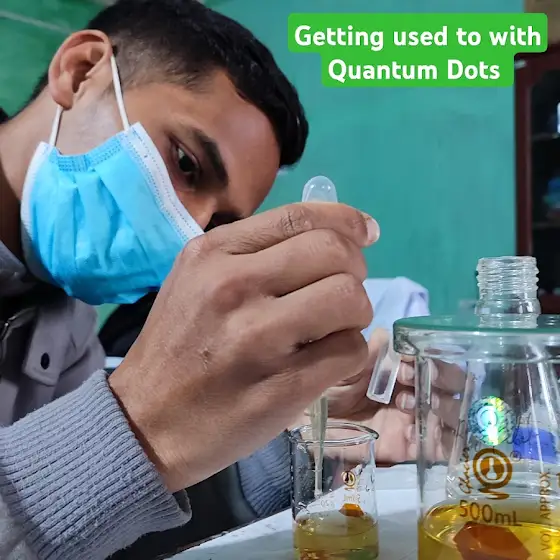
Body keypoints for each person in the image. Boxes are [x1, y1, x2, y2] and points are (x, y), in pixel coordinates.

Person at [0, 1, 462, 558]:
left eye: (218, 223)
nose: (189, 232)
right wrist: (137, 423)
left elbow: (94, 527)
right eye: (186, 163)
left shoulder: (64, 318)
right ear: (80, 71)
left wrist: (303, 434)